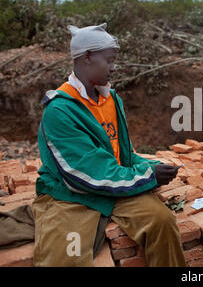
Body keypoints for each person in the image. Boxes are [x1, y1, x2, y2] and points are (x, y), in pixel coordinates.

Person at [32, 23, 187, 267]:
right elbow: (84, 175)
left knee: (162, 222)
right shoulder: (60, 110)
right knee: (66, 256)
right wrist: (149, 175)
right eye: (110, 60)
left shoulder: (110, 98)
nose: (114, 68)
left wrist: (154, 166)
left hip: (115, 186)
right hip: (73, 195)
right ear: (87, 57)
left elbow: (121, 154)